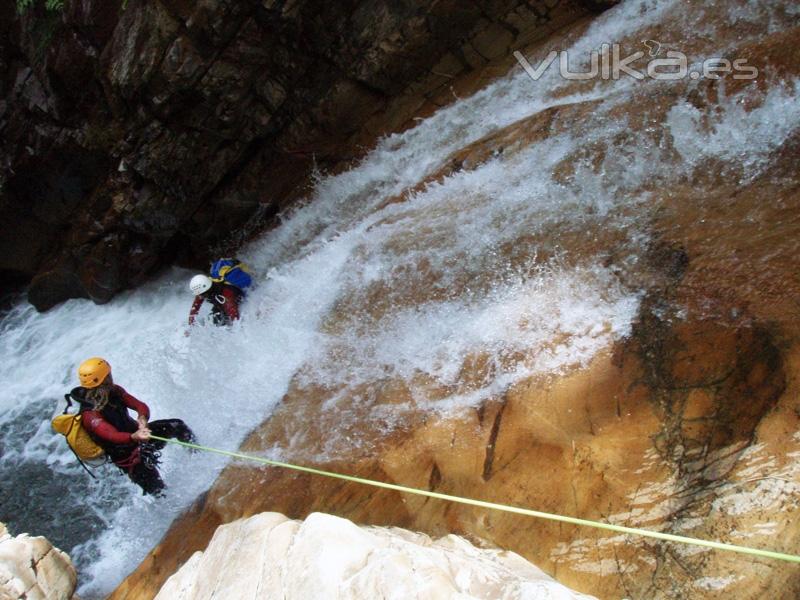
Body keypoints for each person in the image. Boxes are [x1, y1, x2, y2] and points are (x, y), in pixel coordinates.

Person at [67, 357, 195, 496]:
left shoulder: (114, 391)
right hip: (129, 458)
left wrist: (142, 419)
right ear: (105, 379)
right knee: (159, 491)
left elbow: (139, 406)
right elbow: (110, 434)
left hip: (141, 436)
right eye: (108, 374)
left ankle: (197, 456)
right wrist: (134, 436)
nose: (111, 376)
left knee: (177, 426)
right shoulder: (90, 415)